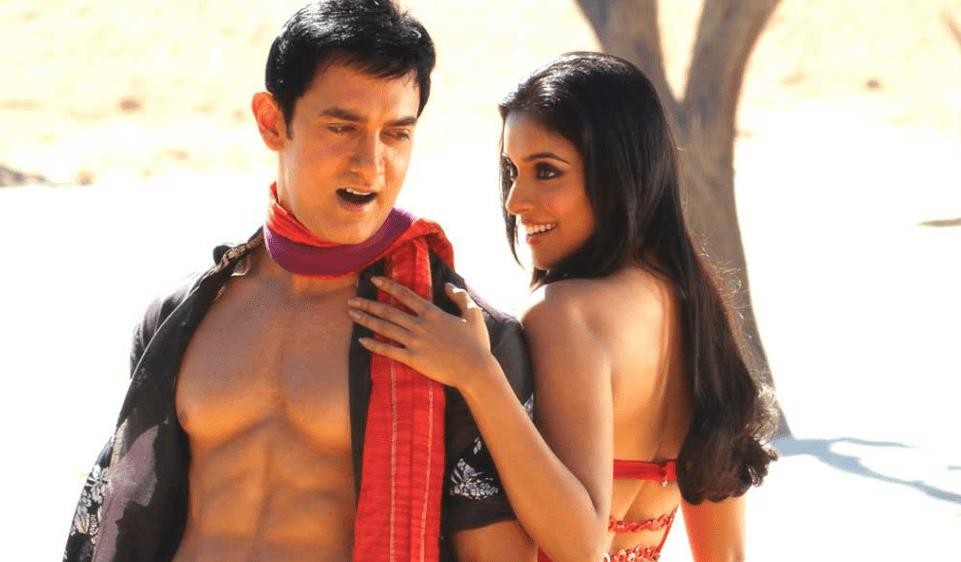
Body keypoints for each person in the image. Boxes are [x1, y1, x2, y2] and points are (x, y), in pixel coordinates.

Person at [63, 2, 537, 561]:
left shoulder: (458, 336)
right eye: (342, 128)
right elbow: (126, 507)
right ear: (272, 121)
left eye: (396, 134)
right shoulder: (179, 316)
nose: (370, 164)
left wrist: (480, 376)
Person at [348, 52, 777, 562]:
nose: (515, 200)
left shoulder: (565, 314)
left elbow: (580, 546)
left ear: (618, 174)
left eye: (546, 171)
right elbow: (726, 555)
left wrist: (478, 375)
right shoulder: (693, 306)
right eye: (512, 171)